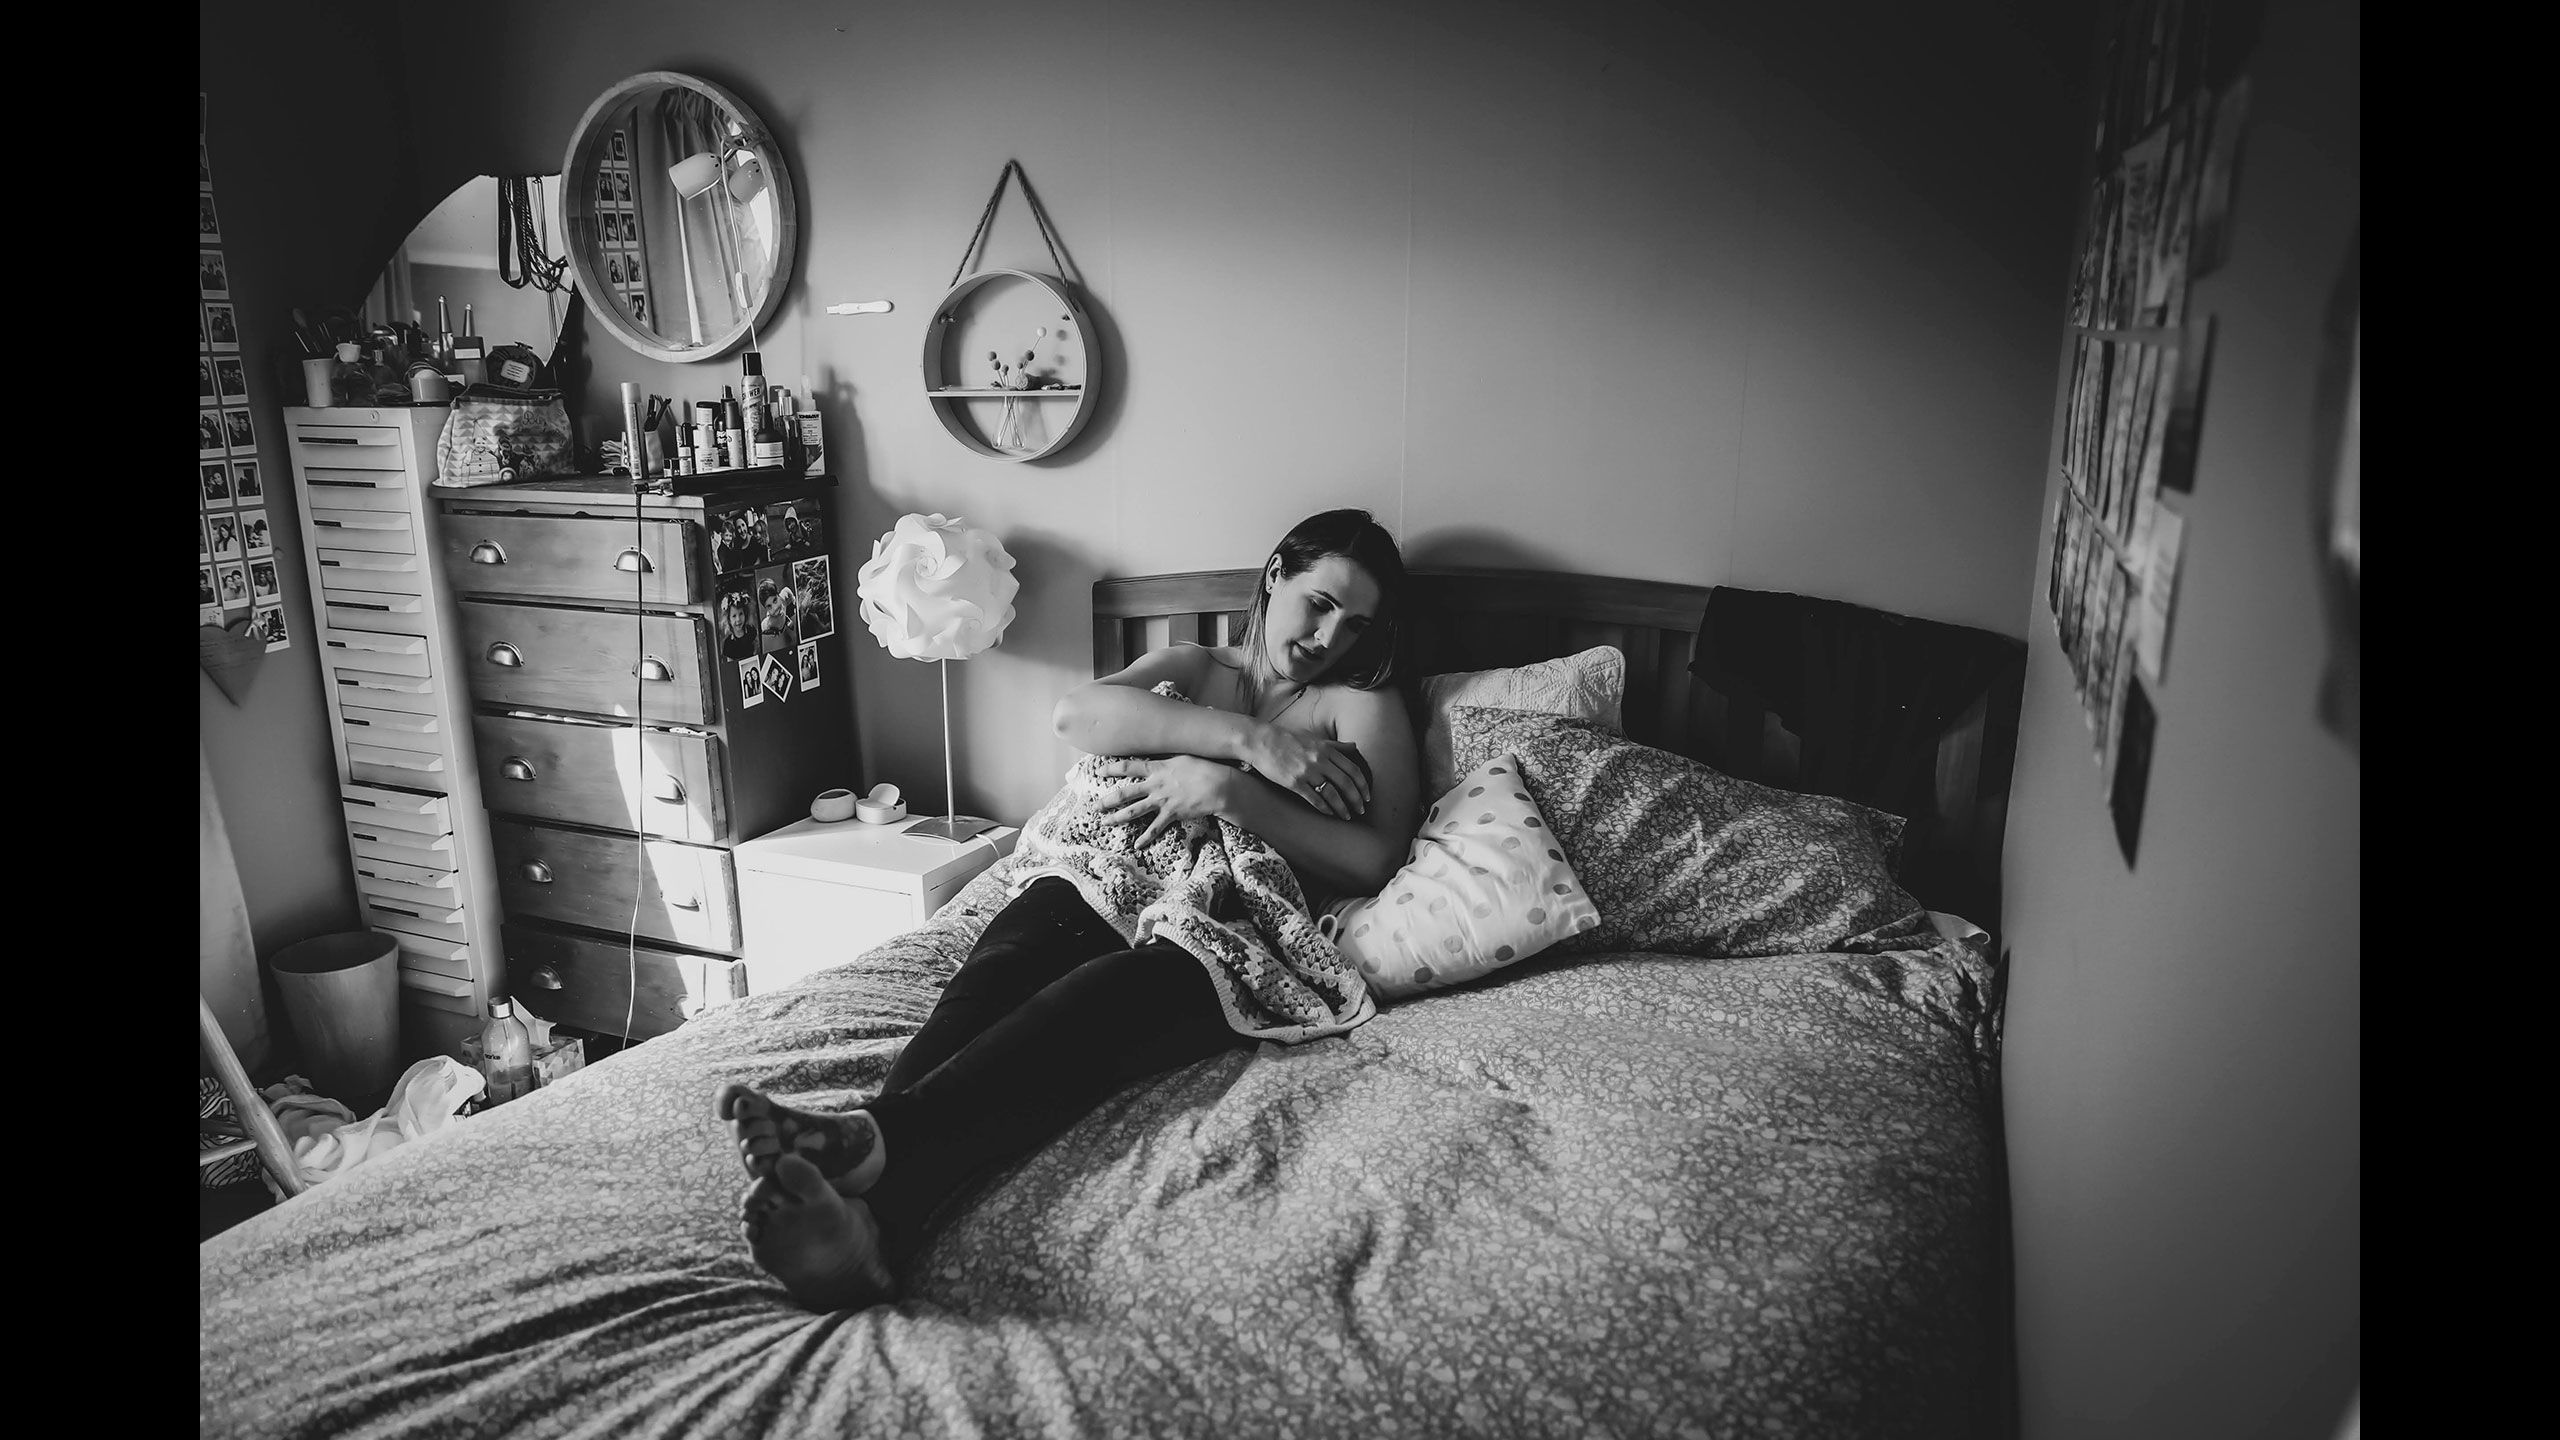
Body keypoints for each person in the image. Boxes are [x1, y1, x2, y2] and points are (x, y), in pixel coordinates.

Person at [715, 509, 1423, 1311]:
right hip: (1107, 863)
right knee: (999, 974)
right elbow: (1075, 717)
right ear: (1275, 575)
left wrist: (1227, 793)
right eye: (1320, 602)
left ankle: (871, 1162)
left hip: (1227, 910)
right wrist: (1247, 744)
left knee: (1093, 1003)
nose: (1332, 637)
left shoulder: (1356, 704)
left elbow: (1377, 856)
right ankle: (871, 1201)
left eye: (1357, 623)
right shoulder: (1195, 667)